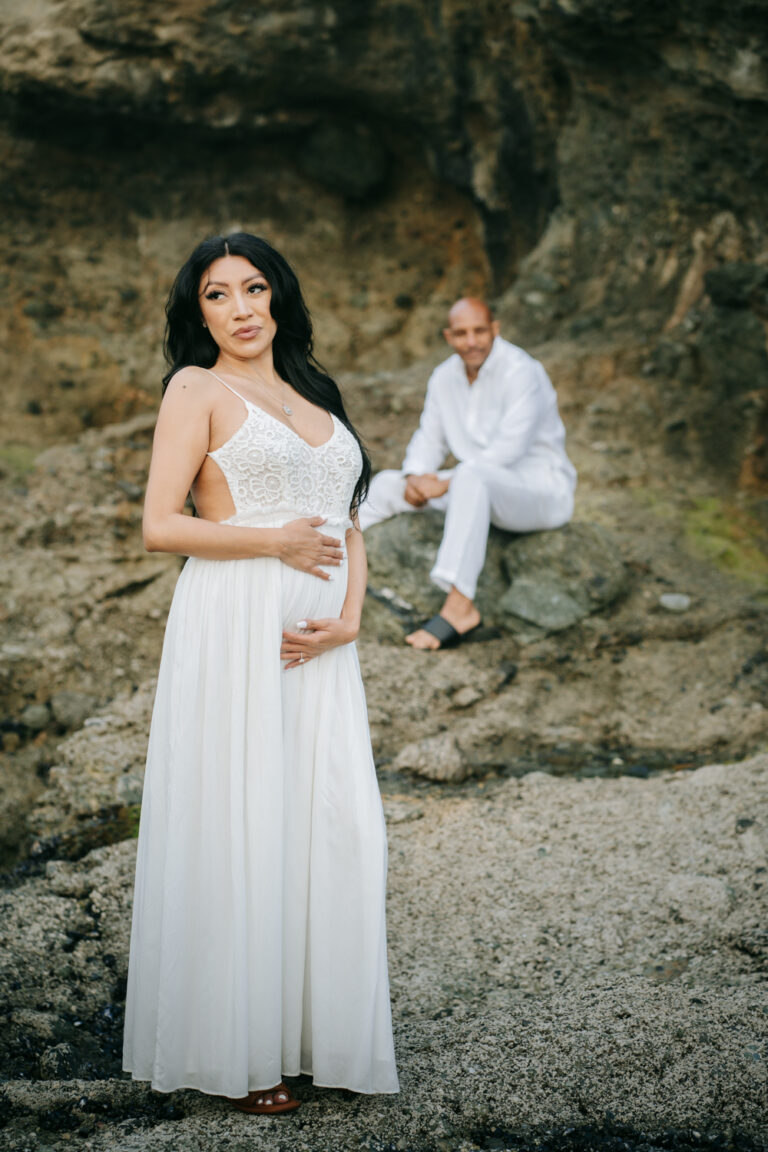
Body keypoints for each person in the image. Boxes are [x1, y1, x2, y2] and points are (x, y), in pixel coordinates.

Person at [122, 233, 399, 1113]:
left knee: (325, 826)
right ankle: (237, 1051)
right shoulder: (195, 389)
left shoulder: (316, 391)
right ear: (196, 310)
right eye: (216, 294)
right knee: (240, 823)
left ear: (278, 297)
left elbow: (349, 519)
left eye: (253, 288)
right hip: (235, 626)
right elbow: (161, 525)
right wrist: (272, 540)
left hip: (319, 645)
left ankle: (317, 1031)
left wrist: (351, 619)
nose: (239, 309)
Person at [358, 298, 576, 650]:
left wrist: (443, 482)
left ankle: (460, 607)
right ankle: (333, 562)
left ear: (495, 329)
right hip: (472, 490)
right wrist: (416, 477)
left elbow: (509, 449)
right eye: (461, 333)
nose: (471, 341)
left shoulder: (523, 371)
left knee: (472, 475)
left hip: (539, 493)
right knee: (386, 485)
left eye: (479, 331)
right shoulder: (444, 377)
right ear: (448, 336)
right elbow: (429, 438)